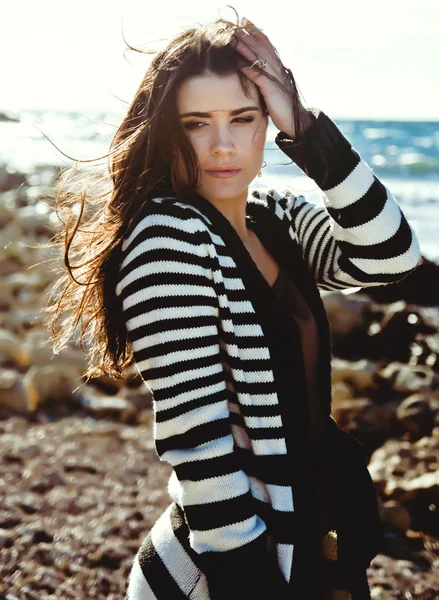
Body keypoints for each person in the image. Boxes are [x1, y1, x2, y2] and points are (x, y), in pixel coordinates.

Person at [44, 9, 421, 600]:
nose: (223, 145)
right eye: (197, 123)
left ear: (265, 125)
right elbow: (200, 447)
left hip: (308, 538)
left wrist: (306, 128)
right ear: (168, 132)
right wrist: (252, 585)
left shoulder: (275, 218)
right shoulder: (167, 238)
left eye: (244, 118)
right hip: (225, 571)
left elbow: (391, 257)